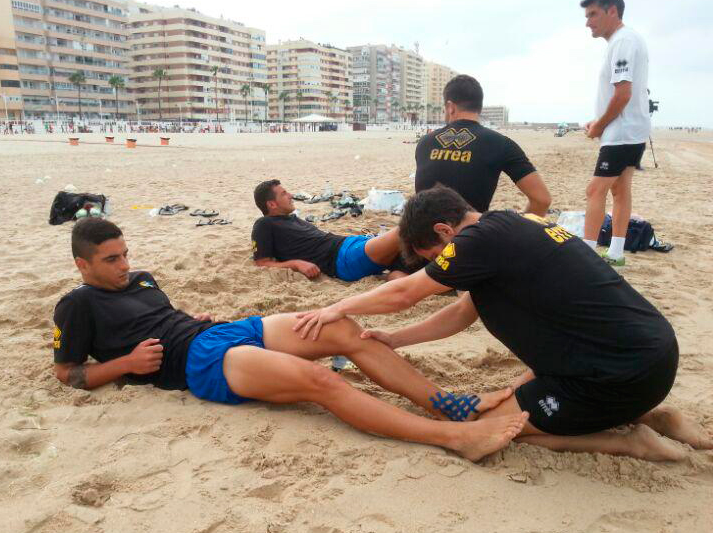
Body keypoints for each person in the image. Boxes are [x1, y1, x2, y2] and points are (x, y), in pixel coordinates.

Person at [52, 218, 528, 461]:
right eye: (112, 260)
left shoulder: (142, 279)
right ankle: (453, 437)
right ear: (83, 265)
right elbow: (67, 373)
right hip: (197, 365)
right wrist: (126, 364)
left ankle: (444, 403)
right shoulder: (77, 305)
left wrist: (186, 316)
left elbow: (159, 317)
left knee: (341, 328)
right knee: (318, 382)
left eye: (124, 255)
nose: (123, 265)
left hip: (217, 332)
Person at [295, 186, 713, 461]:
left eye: (434, 258)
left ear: (445, 230)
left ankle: (630, 441)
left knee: (485, 430)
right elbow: (462, 311)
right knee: (509, 404)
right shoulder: (515, 225)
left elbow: (406, 293)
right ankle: (654, 416)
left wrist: (339, 307)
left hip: (618, 375)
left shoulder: (478, 240)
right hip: (645, 353)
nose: (439, 269)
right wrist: (396, 340)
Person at [415, 75, 551, 216]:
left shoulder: (425, 142)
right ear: (479, 107)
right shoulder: (501, 144)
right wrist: (520, 230)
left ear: (450, 107)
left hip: (422, 234)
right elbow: (542, 200)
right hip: (470, 235)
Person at [581, 0, 650, 266]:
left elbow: (623, 94)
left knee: (594, 191)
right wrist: (598, 121)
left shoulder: (623, 41)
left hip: (621, 132)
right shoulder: (626, 40)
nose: (588, 22)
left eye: (593, 14)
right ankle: (616, 252)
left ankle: (586, 257)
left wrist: (599, 126)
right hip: (631, 129)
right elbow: (621, 96)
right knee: (621, 190)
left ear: (612, 11)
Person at [252, 180, 407, 281]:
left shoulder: (291, 218)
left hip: (352, 245)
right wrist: (296, 263)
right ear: (272, 204)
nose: (291, 195)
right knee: (408, 228)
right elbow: (262, 263)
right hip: (343, 258)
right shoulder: (264, 224)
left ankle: (397, 277)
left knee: (413, 259)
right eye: (284, 194)